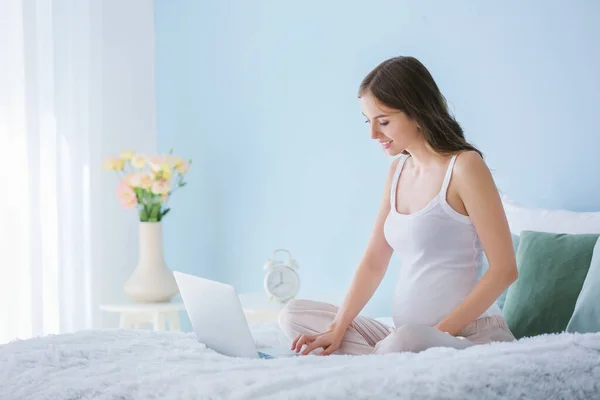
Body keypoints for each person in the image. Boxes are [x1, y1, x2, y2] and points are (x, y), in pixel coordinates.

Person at [278, 56, 518, 356]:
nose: (373, 134)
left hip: (469, 335)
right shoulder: (398, 170)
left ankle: (390, 357)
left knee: (405, 343)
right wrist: (337, 328)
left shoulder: (465, 167)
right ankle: (387, 357)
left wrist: (434, 335)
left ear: (417, 112)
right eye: (369, 122)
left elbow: (505, 270)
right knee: (294, 315)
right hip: (402, 337)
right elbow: (374, 261)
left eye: (384, 121)